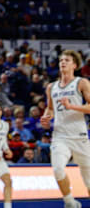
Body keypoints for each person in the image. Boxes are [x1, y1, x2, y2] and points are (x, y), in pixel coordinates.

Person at [40, 50, 90, 208]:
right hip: (60, 136)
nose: (63, 62)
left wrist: (71, 106)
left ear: (74, 65)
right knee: (58, 169)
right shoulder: (51, 87)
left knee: (89, 181)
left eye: (67, 60)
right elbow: (50, 108)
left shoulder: (81, 83)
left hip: (80, 136)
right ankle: (69, 202)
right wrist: (46, 117)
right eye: (61, 60)